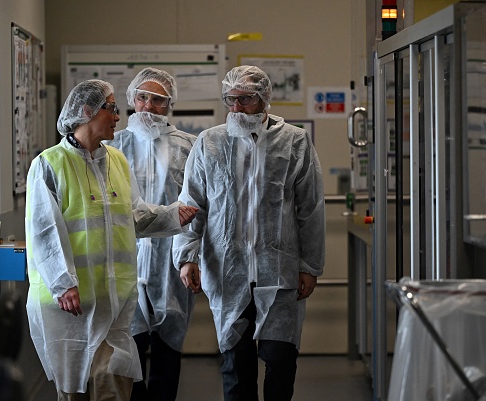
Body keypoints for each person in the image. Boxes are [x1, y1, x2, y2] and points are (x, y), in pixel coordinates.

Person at [25, 79, 197, 401]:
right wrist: (63, 283)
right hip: (71, 306)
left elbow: (133, 216)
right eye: (112, 109)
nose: (119, 117)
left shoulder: (116, 160)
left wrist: (173, 215)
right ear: (88, 111)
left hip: (114, 304)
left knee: (114, 388)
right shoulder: (49, 164)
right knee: (74, 390)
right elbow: (43, 231)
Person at [172, 65, 326, 401]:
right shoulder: (209, 142)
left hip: (279, 271)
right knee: (235, 366)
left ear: (264, 99)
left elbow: (311, 208)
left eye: (246, 100)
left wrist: (310, 266)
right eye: (231, 100)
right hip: (228, 271)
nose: (237, 108)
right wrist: (186, 256)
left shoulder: (294, 141)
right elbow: (191, 203)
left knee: (281, 361)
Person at [105, 67, 197, 401]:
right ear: (131, 100)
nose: (148, 106)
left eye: (157, 100)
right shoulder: (110, 145)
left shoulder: (189, 146)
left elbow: (197, 206)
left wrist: (189, 257)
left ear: (169, 104)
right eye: (142, 97)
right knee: (127, 351)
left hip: (169, 263)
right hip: (122, 259)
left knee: (168, 351)